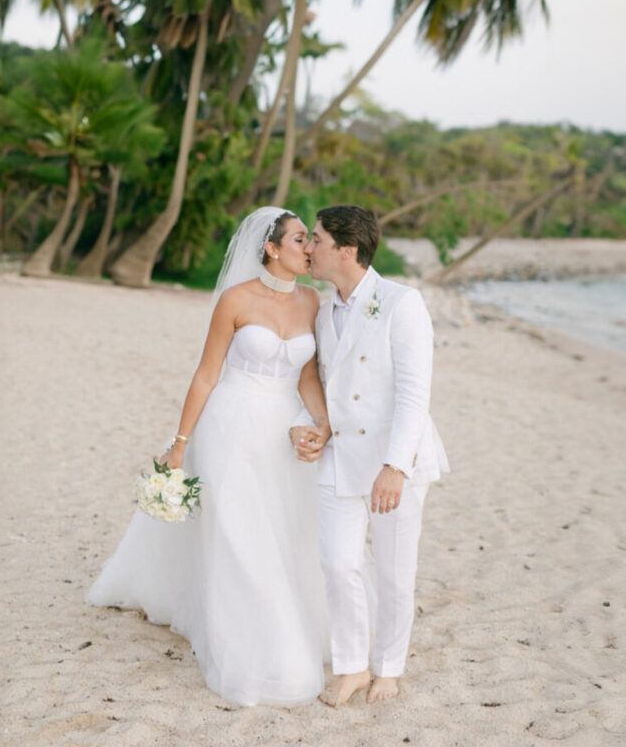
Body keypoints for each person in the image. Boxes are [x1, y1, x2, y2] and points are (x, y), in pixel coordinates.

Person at [86, 207, 332, 707]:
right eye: (300, 238)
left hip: (284, 427)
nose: (308, 247)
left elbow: (307, 376)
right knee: (238, 533)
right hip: (231, 424)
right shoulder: (235, 300)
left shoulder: (312, 301)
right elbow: (206, 374)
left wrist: (323, 426)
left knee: (284, 528)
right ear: (270, 247)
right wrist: (179, 444)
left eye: (310, 239)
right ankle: (254, 645)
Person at [291, 204, 449, 706]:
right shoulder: (322, 307)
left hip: (393, 460)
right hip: (342, 454)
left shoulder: (402, 303)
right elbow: (323, 384)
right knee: (338, 563)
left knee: (395, 570)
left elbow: (413, 394)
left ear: (347, 250)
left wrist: (395, 466)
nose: (308, 247)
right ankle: (352, 666)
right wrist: (313, 427)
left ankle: (388, 668)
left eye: (315, 239)